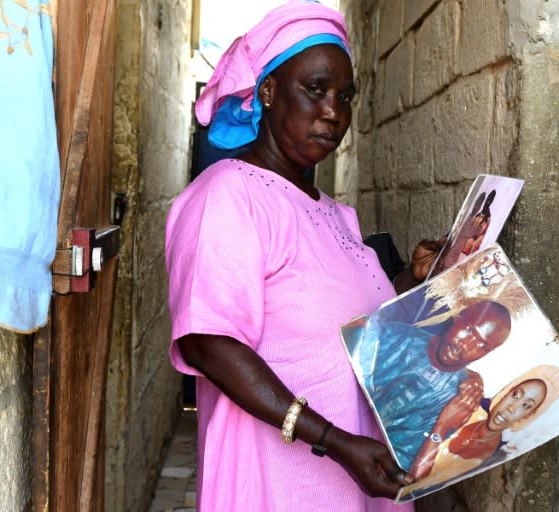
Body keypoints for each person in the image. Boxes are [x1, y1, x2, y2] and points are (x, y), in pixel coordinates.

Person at [164, 1, 441, 510]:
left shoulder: (335, 214)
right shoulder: (227, 196)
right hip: (278, 487)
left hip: (357, 482)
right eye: (315, 90)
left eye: (345, 96)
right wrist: (332, 440)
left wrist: (413, 280)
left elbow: (343, 322)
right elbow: (209, 342)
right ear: (268, 91)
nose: (333, 112)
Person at [343, 299, 512, 471]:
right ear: (458, 317)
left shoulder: (458, 402)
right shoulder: (396, 335)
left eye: (481, 346)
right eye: (469, 330)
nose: (465, 346)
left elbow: (407, 464)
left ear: (488, 353)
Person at [406, 364, 559, 483]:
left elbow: (415, 479)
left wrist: (441, 427)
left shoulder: (491, 459)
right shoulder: (471, 405)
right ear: (506, 393)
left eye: (526, 406)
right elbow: (437, 368)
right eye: (515, 395)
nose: (512, 408)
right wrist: (473, 376)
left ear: (527, 417)